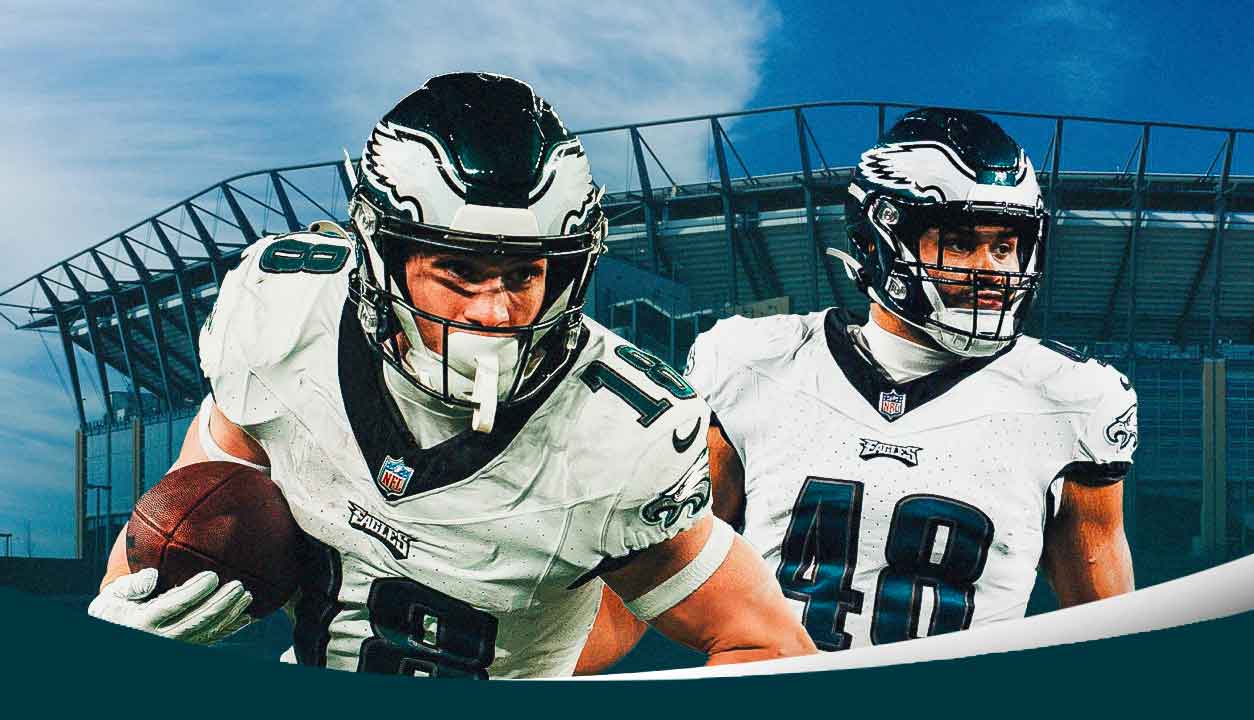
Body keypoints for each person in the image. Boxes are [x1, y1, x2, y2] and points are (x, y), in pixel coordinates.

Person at [87, 72, 815, 677]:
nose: (495, 313)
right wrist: (122, 614)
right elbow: (194, 498)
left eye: (524, 273)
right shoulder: (282, 316)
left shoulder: (618, 431)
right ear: (381, 254)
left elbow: (769, 647)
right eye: (459, 270)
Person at [588, 107, 1136, 660]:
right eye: (961, 242)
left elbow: (1107, 636)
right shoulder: (755, 366)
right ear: (881, 239)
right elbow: (652, 572)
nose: (993, 269)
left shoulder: (1068, 401)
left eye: (1004, 244)